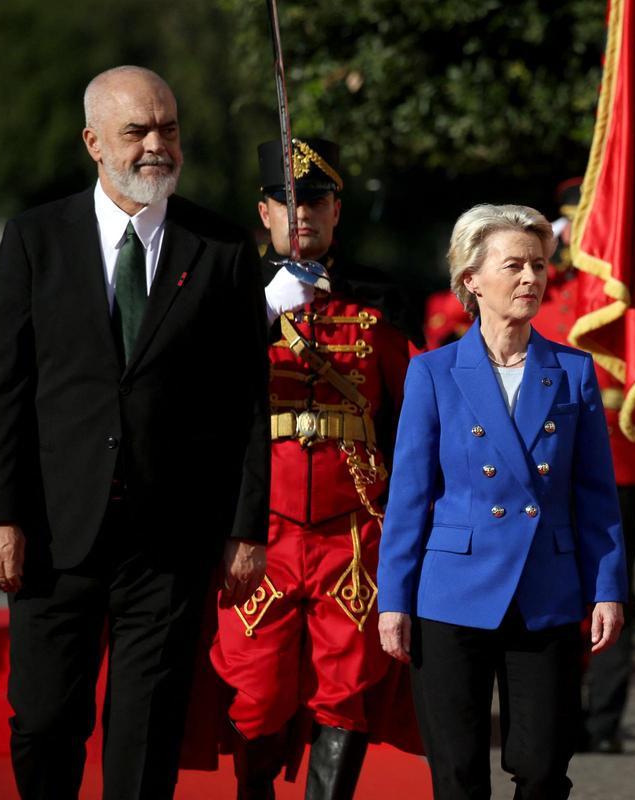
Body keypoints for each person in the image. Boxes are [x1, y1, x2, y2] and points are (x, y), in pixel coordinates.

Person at [0, 66, 270, 799]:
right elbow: (5, 391)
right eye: (136, 131)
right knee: (42, 721)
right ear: (94, 142)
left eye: (168, 128)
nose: (155, 146)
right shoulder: (36, 239)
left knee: (146, 734)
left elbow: (247, 402)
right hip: (51, 531)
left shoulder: (223, 247)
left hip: (168, 538)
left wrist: (246, 526)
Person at [377, 204, 628, 799]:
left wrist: (609, 587)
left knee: (542, 766)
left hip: (548, 589)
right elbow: (410, 495)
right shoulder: (434, 373)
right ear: (472, 280)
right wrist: (395, 598)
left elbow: (595, 494)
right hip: (452, 592)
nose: (530, 279)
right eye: (513, 265)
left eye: (538, 265)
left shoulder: (573, 372)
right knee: (458, 773)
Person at [208, 136, 420, 800]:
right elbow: (192, 393)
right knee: (256, 689)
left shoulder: (380, 298)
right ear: (263, 214)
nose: (302, 214)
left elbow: (411, 417)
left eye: (318, 201)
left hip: (353, 530)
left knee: (348, 687)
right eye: (286, 200)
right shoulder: (226, 295)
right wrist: (259, 311)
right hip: (260, 528)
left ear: (337, 214)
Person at [533, 178, 635, 752]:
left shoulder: (622, 289)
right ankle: (561, 716)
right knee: (558, 594)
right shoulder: (542, 287)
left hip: (623, 460)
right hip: (553, 463)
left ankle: (606, 721)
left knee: (613, 591)